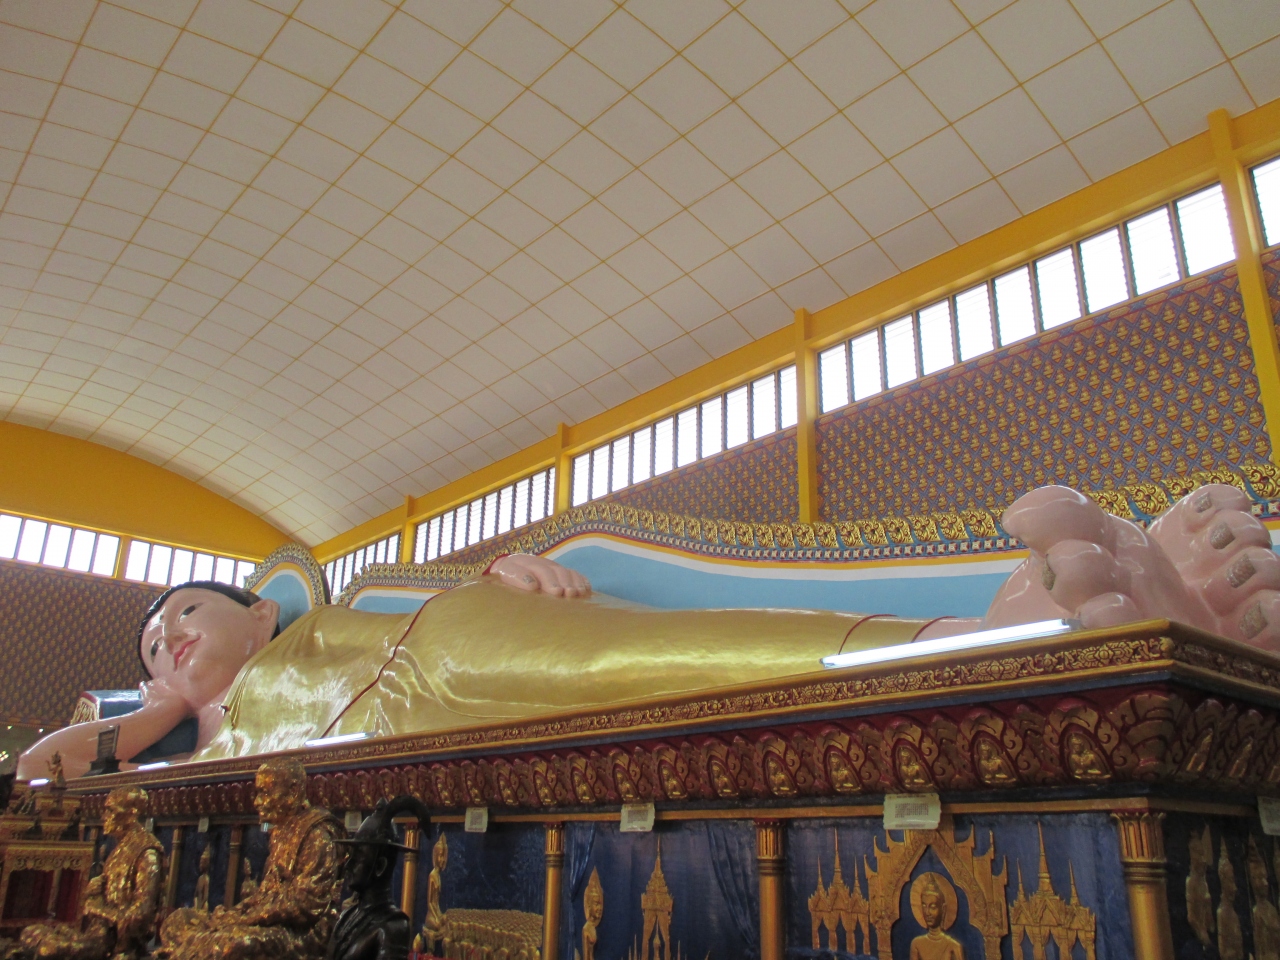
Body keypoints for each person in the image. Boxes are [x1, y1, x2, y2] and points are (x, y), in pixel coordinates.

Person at [17, 482, 1280, 776]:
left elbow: (436, 591)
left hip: (449, 651)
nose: (169, 641)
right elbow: (48, 771)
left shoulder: (335, 613)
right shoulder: (190, 740)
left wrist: (507, 570)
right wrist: (155, 711)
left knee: (672, 656)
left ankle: (980, 635)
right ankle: (1012, 628)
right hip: (404, 750)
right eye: (152, 645)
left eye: (184, 614)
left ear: (256, 605)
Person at [155, 757, 342, 960]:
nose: (257, 802)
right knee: (178, 920)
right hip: (264, 920)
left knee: (234, 943)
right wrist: (234, 913)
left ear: (293, 791)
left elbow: (306, 905)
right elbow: (266, 894)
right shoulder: (281, 832)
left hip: (300, 932)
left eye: (265, 792)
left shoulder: (317, 835)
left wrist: (245, 919)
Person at [18, 787, 162, 960]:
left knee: (47, 949)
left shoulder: (147, 853)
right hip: (94, 932)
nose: (104, 817)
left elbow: (140, 917)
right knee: (30, 932)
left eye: (110, 810)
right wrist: (93, 895)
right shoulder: (120, 848)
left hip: (112, 943)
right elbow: (100, 897)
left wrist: (97, 908)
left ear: (132, 814)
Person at [327, 796, 431, 960]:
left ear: (379, 867)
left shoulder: (392, 926)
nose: (348, 865)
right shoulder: (346, 916)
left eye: (358, 857)